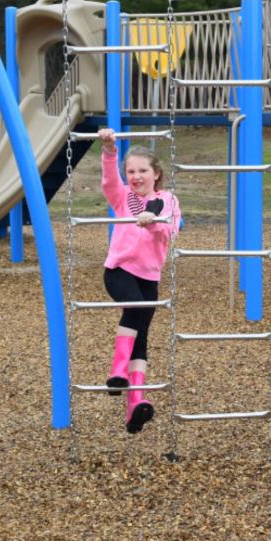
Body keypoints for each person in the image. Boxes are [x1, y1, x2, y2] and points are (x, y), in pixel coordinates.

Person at [99, 127, 180, 434]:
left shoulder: (167, 200)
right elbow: (109, 182)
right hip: (119, 271)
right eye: (130, 171)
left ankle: (136, 402)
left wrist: (153, 223)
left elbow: (170, 231)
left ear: (156, 173)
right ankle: (117, 370)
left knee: (141, 336)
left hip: (149, 277)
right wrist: (109, 152)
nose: (136, 176)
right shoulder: (123, 198)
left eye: (142, 170)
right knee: (134, 310)